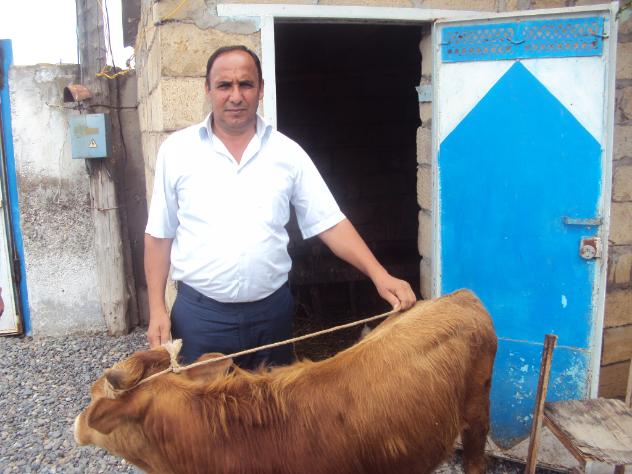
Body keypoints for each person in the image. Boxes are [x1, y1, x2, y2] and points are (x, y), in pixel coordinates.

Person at [145, 45, 416, 368]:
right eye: (224, 85)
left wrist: (380, 275)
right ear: (208, 89)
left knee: (273, 400)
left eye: (246, 84)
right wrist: (157, 309)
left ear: (261, 89)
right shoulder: (177, 151)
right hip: (201, 317)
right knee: (203, 402)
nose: (236, 96)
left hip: (270, 315)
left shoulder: (287, 153)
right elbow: (159, 235)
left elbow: (329, 222)